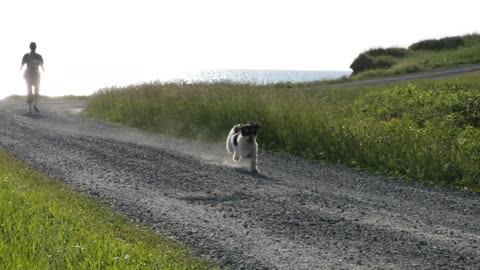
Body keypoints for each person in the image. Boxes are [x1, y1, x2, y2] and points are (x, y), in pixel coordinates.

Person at [19, 42, 44, 113]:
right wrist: (44, 71)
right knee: (37, 91)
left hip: (28, 75)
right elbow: (42, 66)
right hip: (36, 76)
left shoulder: (26, 56)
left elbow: (22, 65)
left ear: (30, 47)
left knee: (29, 91)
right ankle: (35, 105)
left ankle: (30, 109)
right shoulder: (39, 56)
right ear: (36, 47)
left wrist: (19, 70)